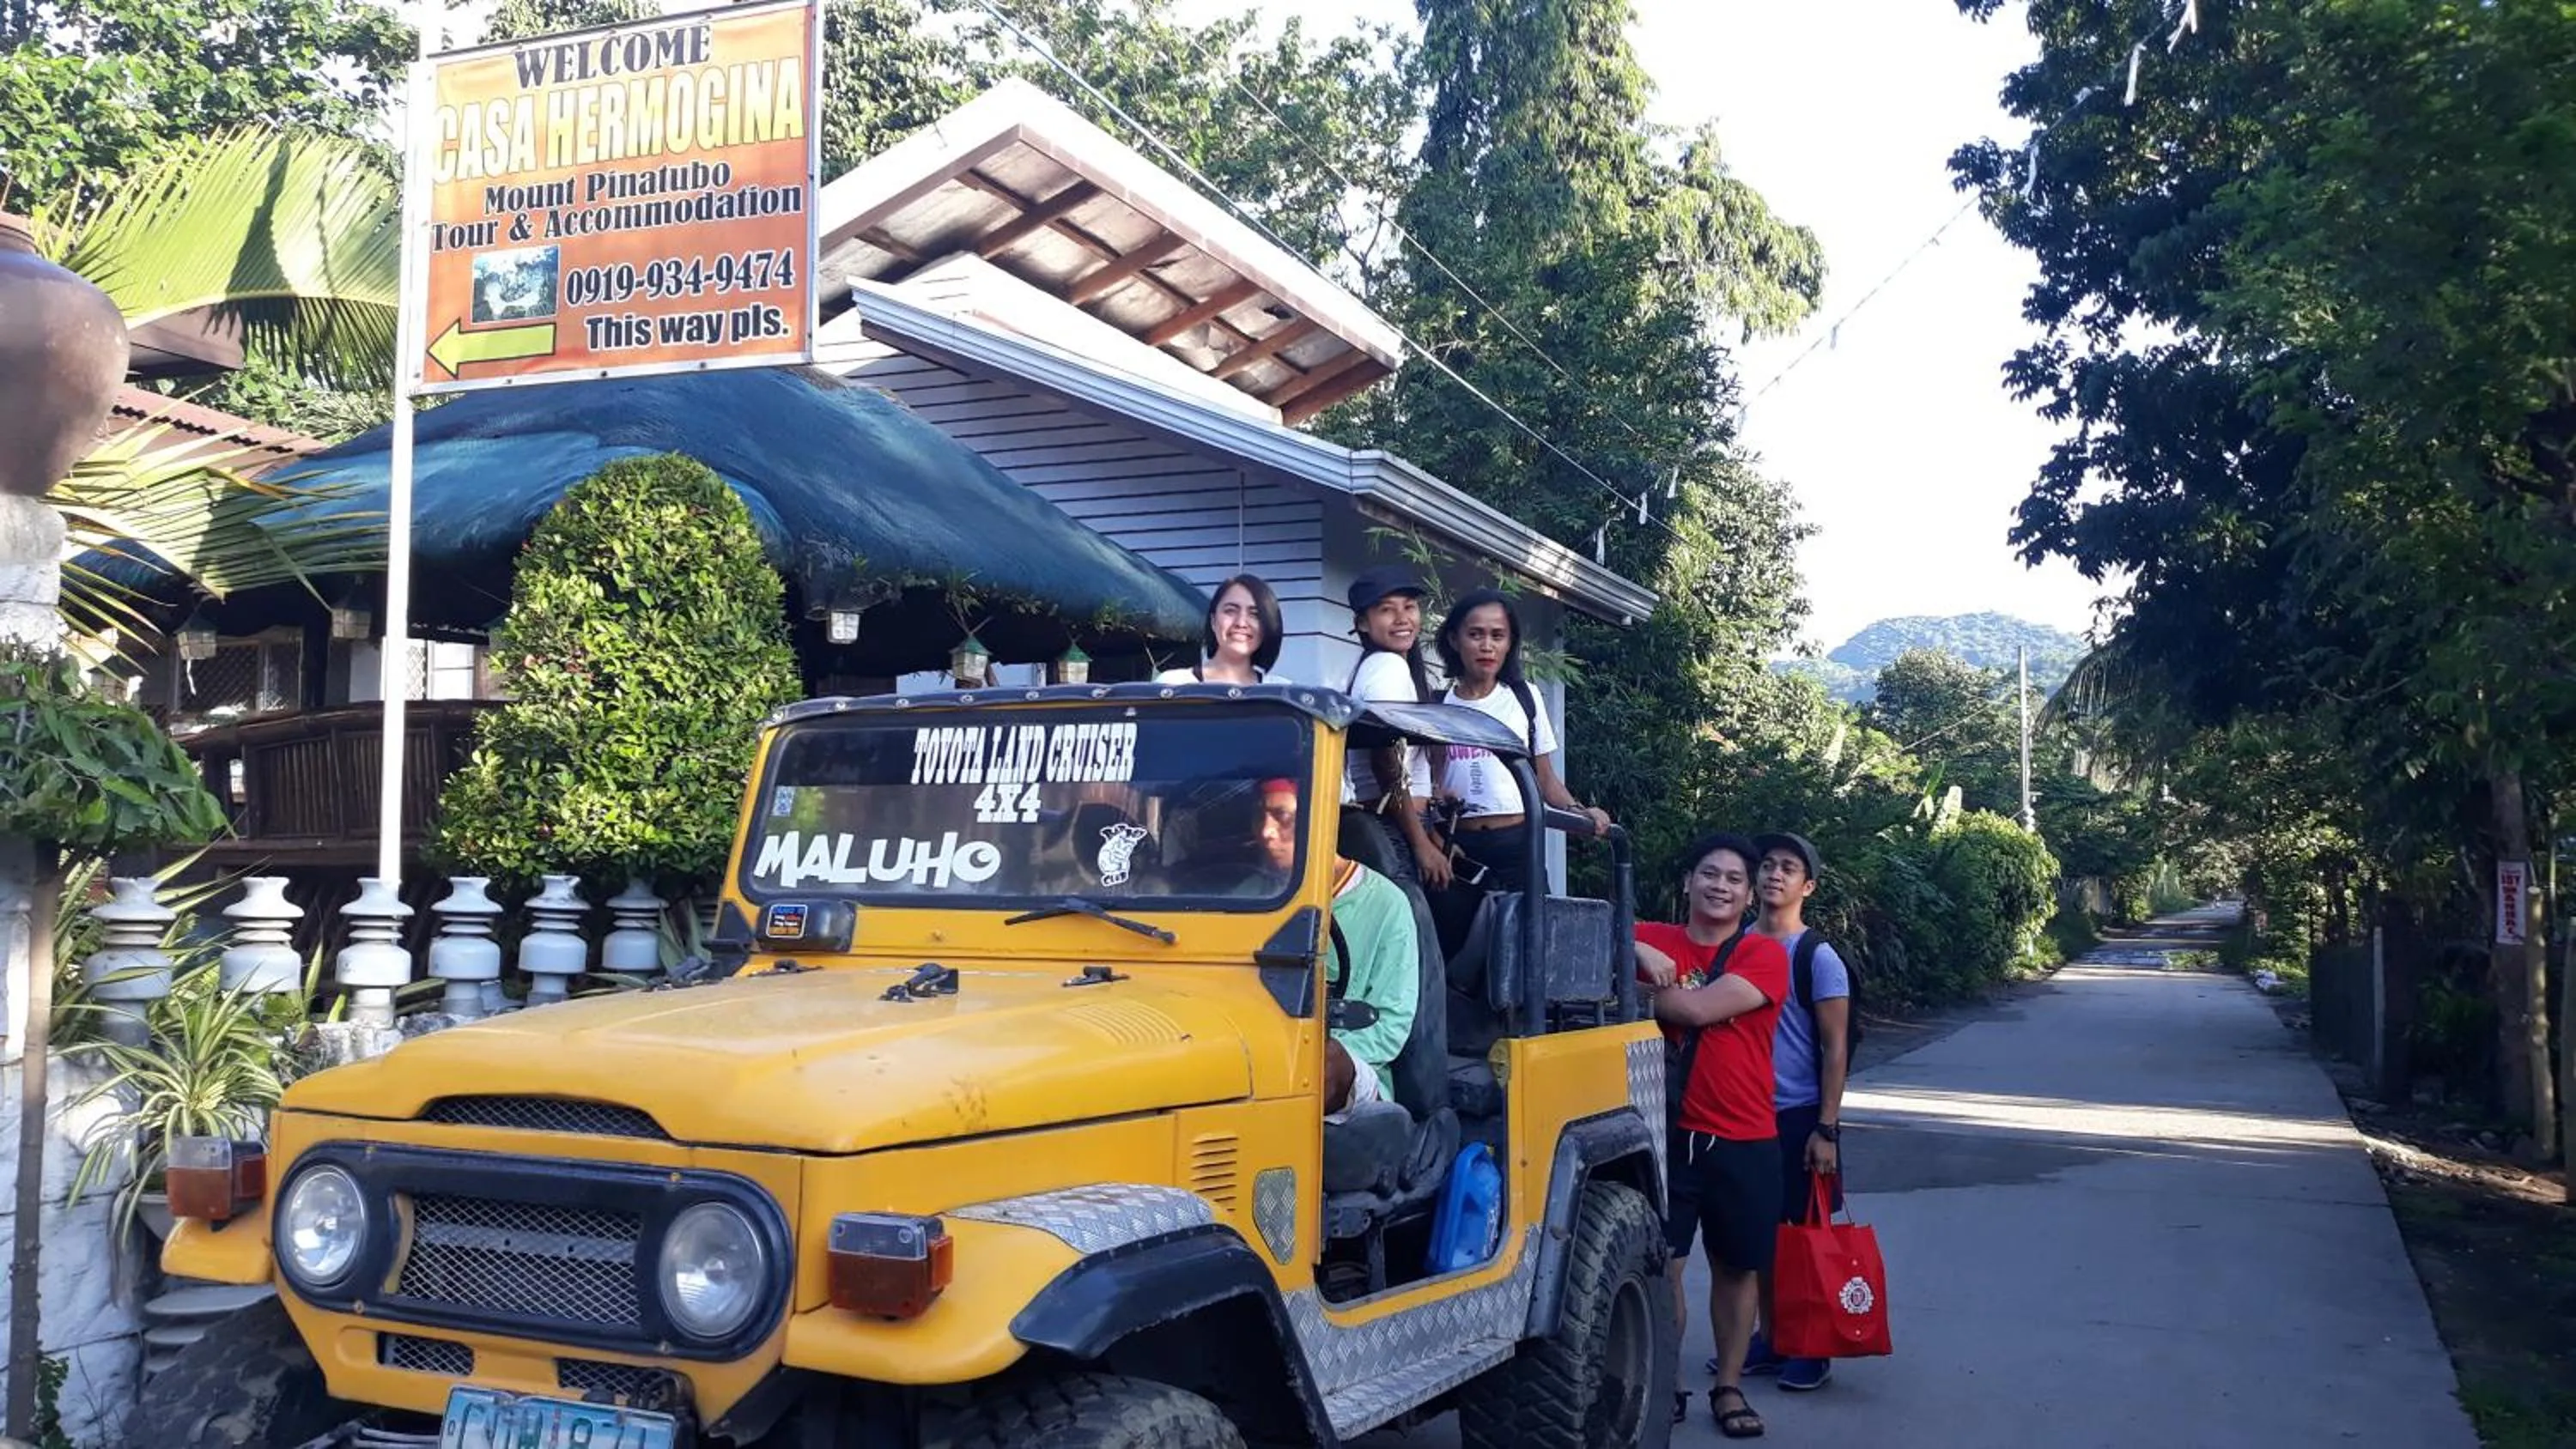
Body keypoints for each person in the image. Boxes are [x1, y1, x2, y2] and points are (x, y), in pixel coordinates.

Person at [1635, 833, 1789, 1440]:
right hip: (1669, 1137)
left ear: (1748, 895)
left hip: (1746, 1135)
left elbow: (1697, 1013)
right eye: (1709, 874)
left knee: (1736, 1268)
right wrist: (1639, 952)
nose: (1719, 886)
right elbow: (1586, 931)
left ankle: (1727, 1387)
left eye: (1733, 879)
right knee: (1664, 1267)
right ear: (1689, 882)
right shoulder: (1658, 937)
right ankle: (1667, 1384)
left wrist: (1642, 993)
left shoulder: (1764, 955)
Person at [1747, 829, 1850, 1393]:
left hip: (1800, 1115)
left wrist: (1826, 1129)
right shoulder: (1739, 945)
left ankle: (1813, 1347)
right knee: (1762, 1234)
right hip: (1747, 1115)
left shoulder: (1818, 956)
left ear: (1806, 885)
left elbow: (1837, 1047)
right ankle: (1772, 1338)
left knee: (1805, 1236)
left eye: (1788, 868)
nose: (1774, 875)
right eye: (1767, 865)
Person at [1431, 588, 1610, 897]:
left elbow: (1545, 778)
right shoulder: (1436, 706)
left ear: (1510, 642)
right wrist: (1433, 839)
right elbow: (1428, 783)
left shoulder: (1524, 698)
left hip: (1518, 846)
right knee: (1460, 943)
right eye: (1475, 634)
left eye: (1498, 636)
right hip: (1457, 847)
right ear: (1453, 640)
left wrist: (1580, 812)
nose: (1487, 646)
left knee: (1530, 939)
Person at [1255, 778, 1417, 1114]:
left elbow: (1390, 1027)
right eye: (1262, 817)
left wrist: (1305, 1051)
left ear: (1324, 819)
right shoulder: (1250, 894)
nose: (1266, 832)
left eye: (1282, 818)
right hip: (1258, 1050)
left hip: (1350, 1066)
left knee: (1324, 1063)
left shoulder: (1388, 905)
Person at [1341, 565, 1450, 889]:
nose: (1402, 618)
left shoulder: (1382, 666)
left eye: (1409, 607)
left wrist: (1432, 836)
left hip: (1401, 823)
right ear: (1363, 623)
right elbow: (1386, 763)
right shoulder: (1386, 668)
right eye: (1386, 610)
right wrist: (1421, 844)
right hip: (1392, 827)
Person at [1157, 573, 1291, 686]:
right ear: (1213, 621)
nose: (1241, 623)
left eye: (1254, 614)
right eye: (1230, 611)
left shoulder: (1281, 693)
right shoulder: (1174, 685)